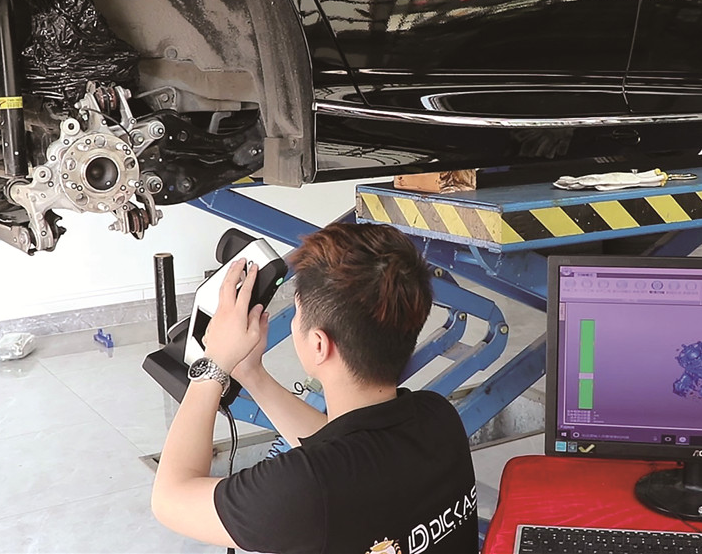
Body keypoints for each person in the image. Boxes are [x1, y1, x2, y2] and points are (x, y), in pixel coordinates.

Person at [151, 223, 479, 554]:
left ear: (320, 345)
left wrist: (214, 364)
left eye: (297, 314)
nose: (294, 324)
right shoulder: (438, 417)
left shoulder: (302, 490)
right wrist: (252, 375)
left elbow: (169, 498)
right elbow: (339, 448)